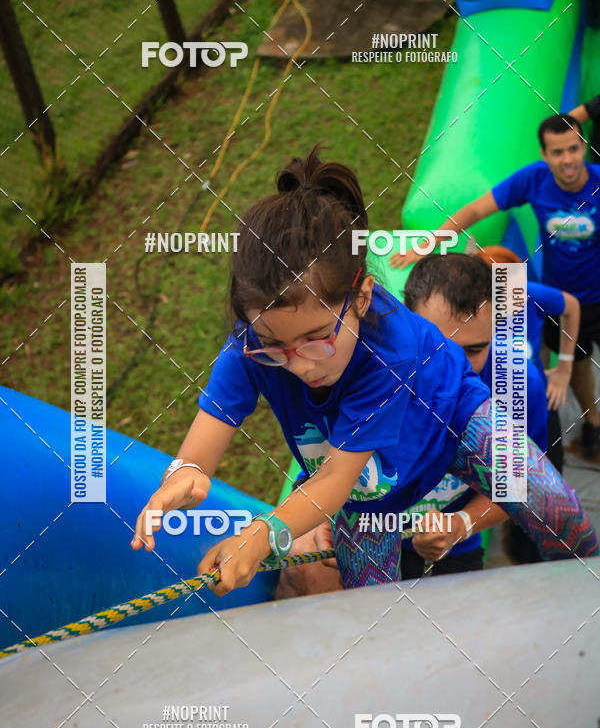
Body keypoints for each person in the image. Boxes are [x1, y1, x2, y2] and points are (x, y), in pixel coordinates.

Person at [132, 147, 598, 595]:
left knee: (554, 507)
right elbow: (200, 451)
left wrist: (259, 537)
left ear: (361, 297)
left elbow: (334, 480)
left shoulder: (390, 350)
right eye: (276, 345)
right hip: (370, 486)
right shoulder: (249, 345)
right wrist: (182, 477)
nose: (299, 364)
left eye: (317, 338)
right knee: (367, 605)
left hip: (449, 422)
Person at [391, 114, 600, 460]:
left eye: (574, 149)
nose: (567, 160)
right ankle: (592, 420)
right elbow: (476, 209)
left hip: (596, 294)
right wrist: (428, 243)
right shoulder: (533, 180)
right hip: (561, 291)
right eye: (557, 152)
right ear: (544, 154)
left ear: (585, 147)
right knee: (576, 361)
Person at [399, 253, 550, 577]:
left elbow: (516, 483)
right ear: (406, 322)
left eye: (474, 350)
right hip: (374, 535)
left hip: (459, 541)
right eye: (437, 345)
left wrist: (462, 524)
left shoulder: (519, 383)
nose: (454, 366)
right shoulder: (372, 371)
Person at [476, 244, 580, 474]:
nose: (519, 296)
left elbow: (571, 307)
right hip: (489, 420)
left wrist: (564, 367)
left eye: (519, 284)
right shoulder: (467, 316)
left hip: (538, 409)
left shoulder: (531, 295)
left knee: (550, 479)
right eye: (509, 290)